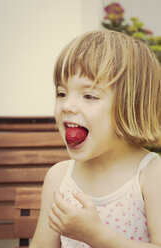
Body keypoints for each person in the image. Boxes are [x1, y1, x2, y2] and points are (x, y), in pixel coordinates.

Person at [29, 30, 161, 248]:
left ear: (132, 106)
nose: (67, 106)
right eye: (61, 93)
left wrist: (97, 236)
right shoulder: (59, 178)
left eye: (89, 96)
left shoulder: (151, 175)